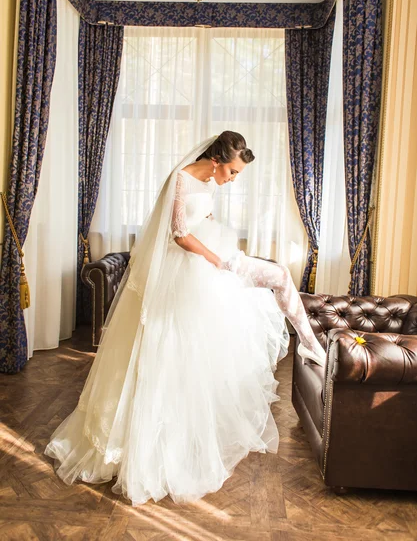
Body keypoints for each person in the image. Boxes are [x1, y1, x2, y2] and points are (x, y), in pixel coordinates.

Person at [45, 131, 326, 506]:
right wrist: (217, 261)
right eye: (233, 171)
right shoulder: (181, 178)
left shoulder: (208, 181)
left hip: (210, 264)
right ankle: (313, 347)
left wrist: (222, 249)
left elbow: (202, 221)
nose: (233, 178)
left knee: (267, 292)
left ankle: (312, 346)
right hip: (188, 272)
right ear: (216, 160)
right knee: (176, 347)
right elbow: (178, 235)